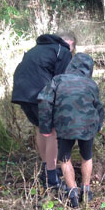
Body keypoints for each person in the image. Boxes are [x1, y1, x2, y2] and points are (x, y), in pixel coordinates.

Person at [38, 53, 105, 208]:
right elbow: (99, 107)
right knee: (86, 157)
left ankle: (73, 193)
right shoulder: (91, 84)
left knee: (65, 159)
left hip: (64, 125)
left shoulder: (57, 80)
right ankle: (86, 190)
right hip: (87, 126)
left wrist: (45, 127)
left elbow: (44, 101)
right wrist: (99, 125)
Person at [11, 31, 76, 188]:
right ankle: (51, 178)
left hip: (21, 92)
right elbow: (61, 80)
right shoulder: (63, 50)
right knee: (52, 131)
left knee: (41, 128)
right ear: (71, 44)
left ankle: (47, 169)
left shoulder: (38, 48)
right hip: (40, 95)